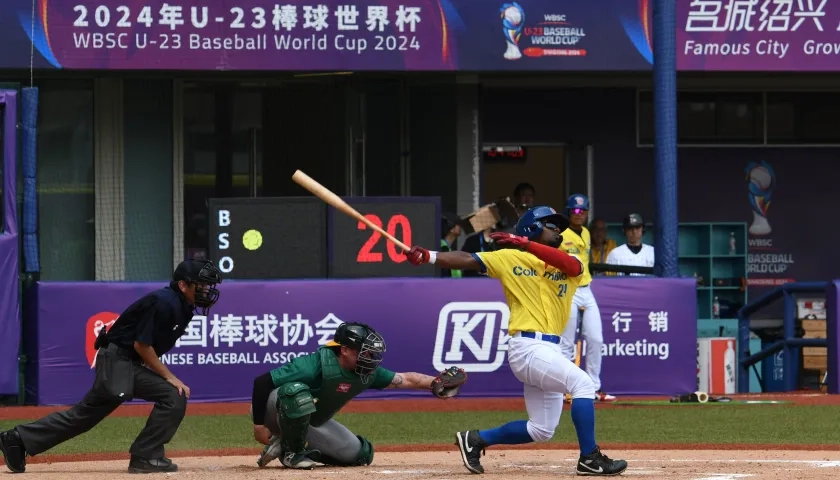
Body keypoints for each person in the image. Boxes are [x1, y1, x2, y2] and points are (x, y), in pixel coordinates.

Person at [404, 206, 628, 477]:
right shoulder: (509, 258)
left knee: (541, 430)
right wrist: (428, 256)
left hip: (551, 350)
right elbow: (466, 258)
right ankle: (590, 458)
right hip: (528, 348)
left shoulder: (568, 262)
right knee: (583, 384)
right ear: (532, 228)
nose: (558, 231)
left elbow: (573, 266)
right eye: (551, 225)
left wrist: (528, 244)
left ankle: (475, 439)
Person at [0, 259, 223, 474]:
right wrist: (169, 376)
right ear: (183, 285)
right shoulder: (166, 302)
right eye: (201, 285)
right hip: (118, 362)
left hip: (122, 363)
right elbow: (142, 344)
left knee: (82, 417)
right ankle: (146, 456)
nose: (206, 290)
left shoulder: (181, 305)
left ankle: (17, 439)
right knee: (173, 394)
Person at [250, 322, 467, 470]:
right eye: (365, 352)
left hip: (311, 419)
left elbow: (406, 379)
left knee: (359, 455)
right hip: (274, 409)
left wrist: (436, 384)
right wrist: (259, 425)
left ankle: (285, 444)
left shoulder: (365, 374)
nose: (370, 358)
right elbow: (261, 383)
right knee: (296, 393)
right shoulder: (312, 365)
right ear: (344, 350)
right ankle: (292, 454)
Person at [559, 195, 615, 403]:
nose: (579, 214)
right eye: (574, 211)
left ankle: (593, 388)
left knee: (595, 338)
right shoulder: (560, 235)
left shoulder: (586, 233)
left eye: (583, 211)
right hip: (569, 289)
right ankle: (565, 389)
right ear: (568, 212)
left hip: (586, 288)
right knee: (566, 343)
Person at [440, 212, 464, 278]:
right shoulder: (443, 247)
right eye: (458, 225)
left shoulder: (449, 248)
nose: (461, 227)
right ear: (452, 229)